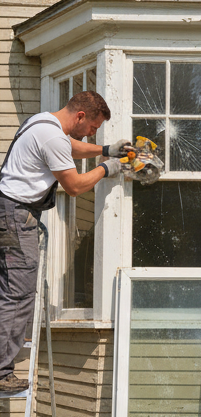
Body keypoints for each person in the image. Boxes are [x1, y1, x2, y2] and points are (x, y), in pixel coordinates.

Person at [0, 91, 131, 393]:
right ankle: (1, 374)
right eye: (93, 127)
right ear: (80, 116)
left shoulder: (42, 122)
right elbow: (73, 186)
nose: (92, 133)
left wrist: (105, 149)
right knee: (18, 295)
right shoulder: (52, 137)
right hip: (16, 216)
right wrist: (106, 168)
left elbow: (71, 147)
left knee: (8, 291)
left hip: (8, 212)